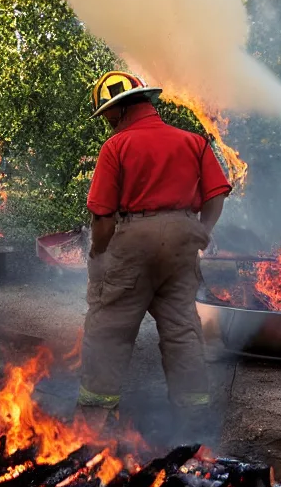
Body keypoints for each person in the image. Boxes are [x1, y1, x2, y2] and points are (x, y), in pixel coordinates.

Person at [77, 71, 231, 433]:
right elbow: (217, 194)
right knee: (182, 332)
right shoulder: (193, 141)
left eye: (109, 116)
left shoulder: (116, 146)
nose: (108, 124)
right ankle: (193, 424)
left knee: (108, 330)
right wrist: (200, 232)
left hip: (134, 239)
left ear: (119, 111)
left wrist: (99, 256)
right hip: (182, 240)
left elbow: (102, 217)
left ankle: (94, 427)